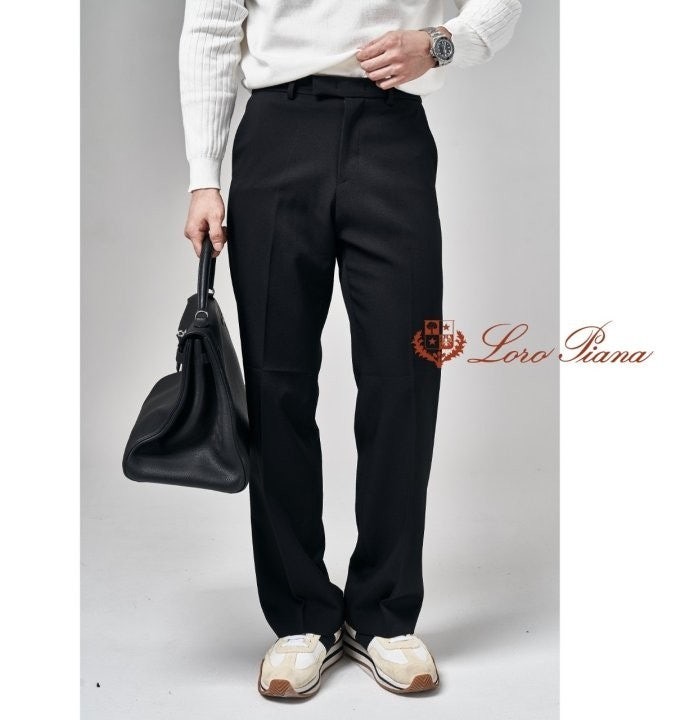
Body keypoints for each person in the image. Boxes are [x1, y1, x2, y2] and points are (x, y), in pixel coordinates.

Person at [179, 0, 521, 699]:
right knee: (275, 383)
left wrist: (442, 43)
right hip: (277, 131)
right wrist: (204, 175)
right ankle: (301, 616)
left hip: (392, 132)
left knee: (405, 377)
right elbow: (212, 23)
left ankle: (383, 615)